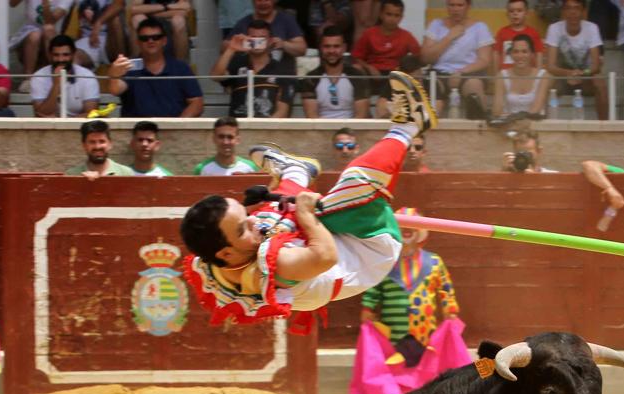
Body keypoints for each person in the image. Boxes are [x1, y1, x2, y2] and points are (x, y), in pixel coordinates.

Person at [179, 71, 436, 329]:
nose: (251, 223)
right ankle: (409, 125)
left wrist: (266, 212)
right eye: (242, 228)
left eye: (245, 217)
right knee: (351, 183)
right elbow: (326, 256)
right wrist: (304, 214)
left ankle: (295, 171)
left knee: (271, 215)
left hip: (328, 246)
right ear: (225, 252)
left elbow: (252, 229)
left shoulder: (217, 257)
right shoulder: (278, 266)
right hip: (369, 248)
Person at [359, 208, 458, 364]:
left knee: (424, 366)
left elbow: (445, 288)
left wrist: (450, 309)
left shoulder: (434, 261)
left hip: (425, 332)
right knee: (395, 366)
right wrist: (368, 307)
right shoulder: (387, 262)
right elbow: (374, 286)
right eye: (403, 226)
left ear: (420, 232)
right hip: (393, 332)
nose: (407, 230)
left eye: (412, 226)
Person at [107, 17, 204, 118]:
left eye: (156, 37)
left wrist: (177, 125)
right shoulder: (129, 67)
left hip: (173, 131)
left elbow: (197, 103)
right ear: (138, 42)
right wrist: (114, 74)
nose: (150, 41)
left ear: (164, 41)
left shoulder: (181, 68)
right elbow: (115, 90)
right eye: (144, 38)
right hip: (138, 131)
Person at [421, 0, 494, 119]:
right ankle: (428, 127)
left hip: (469, 73)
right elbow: (426, 58)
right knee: (430, 85)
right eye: (452, 5)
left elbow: (485, 60)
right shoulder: (436, 25)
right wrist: (449, 37)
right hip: (439, 73)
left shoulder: (480, 27)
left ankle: (477, 127)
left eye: (460, 5)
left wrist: (461, 72)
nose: (456, 9)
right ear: (447, 5)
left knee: (474, 86)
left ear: (468, 6)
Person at [213, 19, 296, 118]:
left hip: (266, 128)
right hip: (237, 127)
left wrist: (263, 130)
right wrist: (231, 48)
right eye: (253, 37)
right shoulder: (237, 63)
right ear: (247, 39)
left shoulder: (282, 70)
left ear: (270, 41)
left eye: (262, 38)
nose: (257, 41)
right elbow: (215, 76)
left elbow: (283, 111)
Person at [353, 0, 421, 116]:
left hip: (396, 76)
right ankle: (363, 112)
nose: (392, 18)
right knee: (356, 68)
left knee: (416, 72)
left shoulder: (406, 36)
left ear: (401, 17)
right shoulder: (369, 33)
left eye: (396, 15)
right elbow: (356, 57)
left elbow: (419, 57)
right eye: (389, 14)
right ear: (381, 14)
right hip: (373, 75)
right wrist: (369, 67)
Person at [544, 0, 605, 120]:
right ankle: (543, 122)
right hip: (562, 77)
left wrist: (581, 74)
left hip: (585, 77)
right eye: (568, 8)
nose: (572, 12)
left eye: (577, 8)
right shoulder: (554, 28)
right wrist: (569, 73)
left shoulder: (592, 28)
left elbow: (596, 66)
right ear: (563, 11)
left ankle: (604, 126)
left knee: (600, 82)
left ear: (583, 11)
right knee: (545, 79)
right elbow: (550, 66)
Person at [299, 26, 370, 119]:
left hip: (351, 131)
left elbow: (361, 115)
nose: (331, 51)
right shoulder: (311, 79)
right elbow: (312, 116)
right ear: (321, 48)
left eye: (336, 46)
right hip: (321, 130)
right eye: (327, 46)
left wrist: (344, 133)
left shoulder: (357, 76)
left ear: (344, 48)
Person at [30, 34, 100, 118]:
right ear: (50, 55)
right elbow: (41, 114)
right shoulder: (39, 77)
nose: (61, 59)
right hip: (48, 127)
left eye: (65, 55)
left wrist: (64, 122)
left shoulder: (87, 76)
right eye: (56, 55)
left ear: (73, 54)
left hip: (79, 127)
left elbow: (91, 113)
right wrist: (56, 85)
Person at [492, 34, 551, 121]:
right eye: (516, 51)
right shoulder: (501, 76)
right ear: (511, 54)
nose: (520, 56)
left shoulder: (543, 76)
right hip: (509, 125)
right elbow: (497, 110)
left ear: (532, 54)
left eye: (524, 51)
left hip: (535, 126)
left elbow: (536, 109)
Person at [228, 0, 308, 57]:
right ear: (253, 2)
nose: (263, 3)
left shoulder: (286, 20)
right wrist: (243, 43)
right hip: (250, 73)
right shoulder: (244, 22)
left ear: (274, 1)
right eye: (259, 0)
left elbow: (302, 49)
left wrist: (283, 44)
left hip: (281, 74)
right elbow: (224, 46)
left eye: (266, 0)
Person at [10, 0, 71, 73]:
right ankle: (28, 77)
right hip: (29, 33)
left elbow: (49, 22)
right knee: (35, 35)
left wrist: (45, 3)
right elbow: (12, 4)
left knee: (48, 29)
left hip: (54, 35)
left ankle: (56, 73)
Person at [126, 0, 193, 61]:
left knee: (179, 21)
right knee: (137, 19)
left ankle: (181, 68)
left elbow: (185, 9)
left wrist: (148, 11)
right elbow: (134, 9)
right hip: (148, 23)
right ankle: (137, 68)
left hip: (170, 25)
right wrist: (166, 7)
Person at [66, 120, 135, 177]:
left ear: (110, 144)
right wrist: (83, 183)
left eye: (102, 141)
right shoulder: (72, 175)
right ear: (84, 145)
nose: (97, 146)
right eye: (92, 142)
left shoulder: (126, 174)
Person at [193, 116, 259, 175]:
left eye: (230, 137)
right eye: (221, 137)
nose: (225, 142)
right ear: (214, 139)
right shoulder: (202, 169)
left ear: (237, 140)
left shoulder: (250, 168)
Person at [493, 0, 543, 72]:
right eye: (511, 11)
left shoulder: (533, 33)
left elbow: (539, 54)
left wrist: (538, 75)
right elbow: (496, 54)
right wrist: (496, 75)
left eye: (519, 10)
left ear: (526, 13)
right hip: (507, 75)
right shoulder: (502, 32)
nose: (515, 13)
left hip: (527, 75)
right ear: (507, 14)